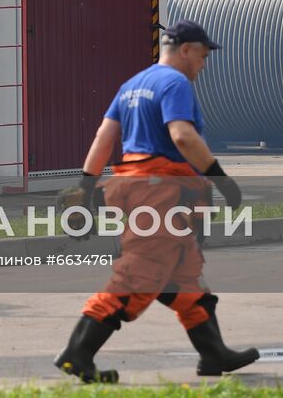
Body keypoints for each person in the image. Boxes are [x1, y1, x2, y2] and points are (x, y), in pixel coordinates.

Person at [53, 21, 260, 383]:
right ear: (185, 50)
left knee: (183, 276)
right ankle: (77, 352)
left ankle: (213, 354)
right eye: (203, 55)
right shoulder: (175, 83)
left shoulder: (133, 84)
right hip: (161, 193)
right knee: (139, 275)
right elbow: (182, 136)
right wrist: (220, 178)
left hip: (138, 186)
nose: (204, 64)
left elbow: (105, 137)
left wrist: (85, 187)